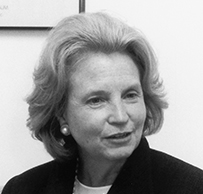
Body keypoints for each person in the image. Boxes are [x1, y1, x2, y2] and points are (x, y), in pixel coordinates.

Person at [2, 12, 203, 194]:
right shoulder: (22, 189)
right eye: (97, 100)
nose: (121, 116)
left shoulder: (191, 187)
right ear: (61, 113)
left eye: (130, 95)